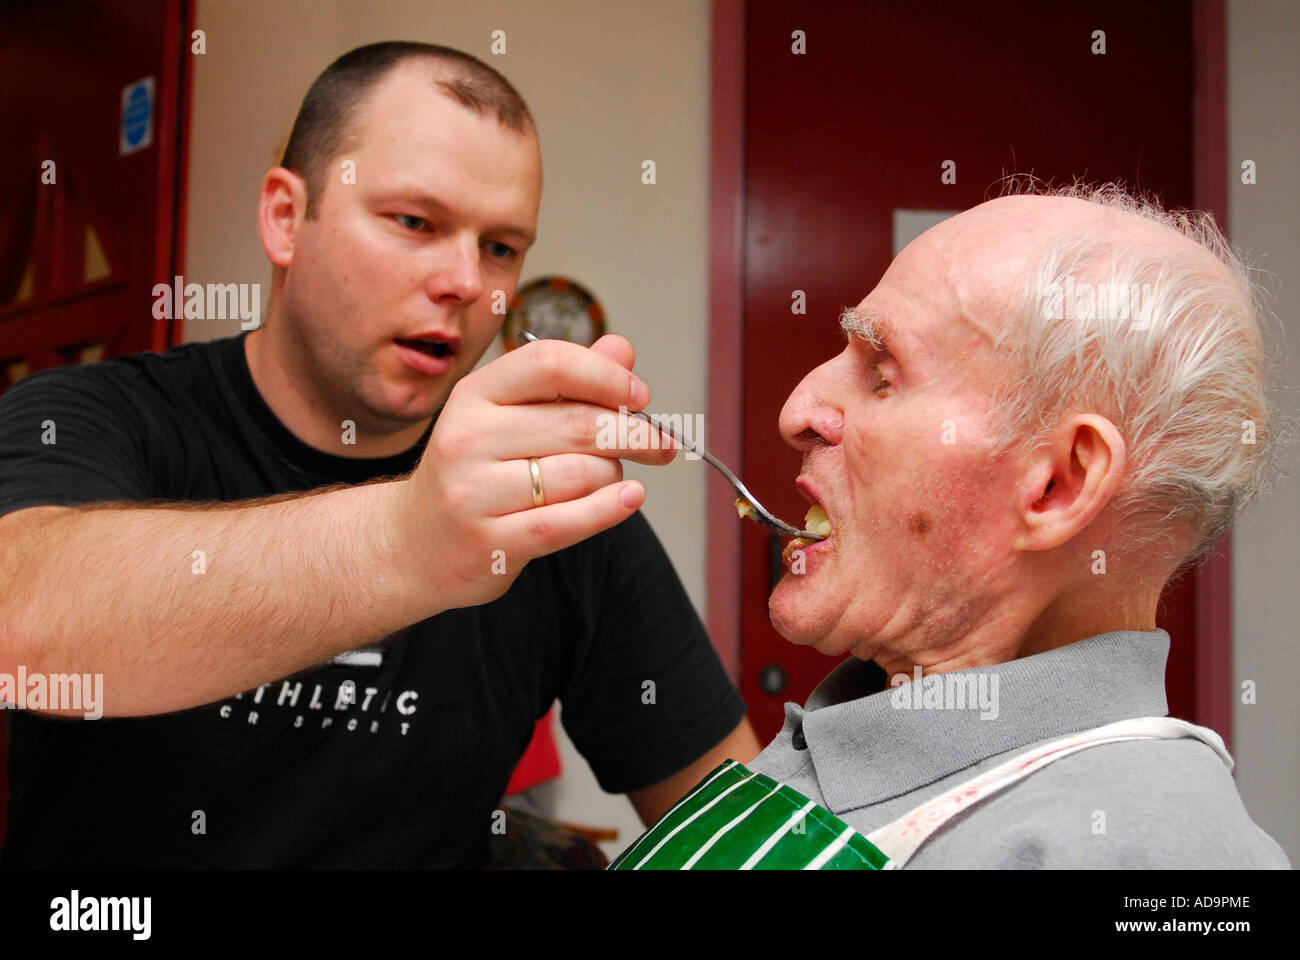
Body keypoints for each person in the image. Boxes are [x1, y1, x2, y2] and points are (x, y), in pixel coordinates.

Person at [0, 41, 758, 868]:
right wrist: (407, 540)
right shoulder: (90, 415)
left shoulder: (543, 496)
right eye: (415, 223)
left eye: (501, 246)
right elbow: (23, 622)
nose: (468, 282)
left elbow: (732, 815)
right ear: (287, 218)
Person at [610, 183, 1290, 870]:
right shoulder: (846, 734)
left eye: (882, 375)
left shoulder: (1152, 853)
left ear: (1058, 485)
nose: (798, 410)